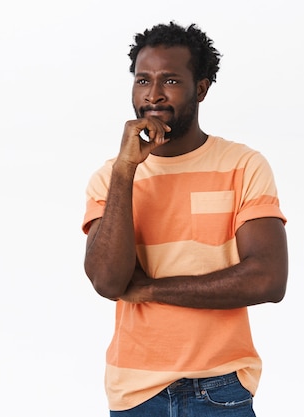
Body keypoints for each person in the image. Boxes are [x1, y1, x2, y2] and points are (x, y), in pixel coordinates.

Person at [82, 22, 288, 416]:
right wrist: (126, 170)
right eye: (143, 80)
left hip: (222, 387)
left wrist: (152, 290)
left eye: (171, 80)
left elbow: (268, 279)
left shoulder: (242, 166)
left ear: (201, 89)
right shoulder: (110, 177)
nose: (154, 94)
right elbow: (108, 281)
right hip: (136, 393)